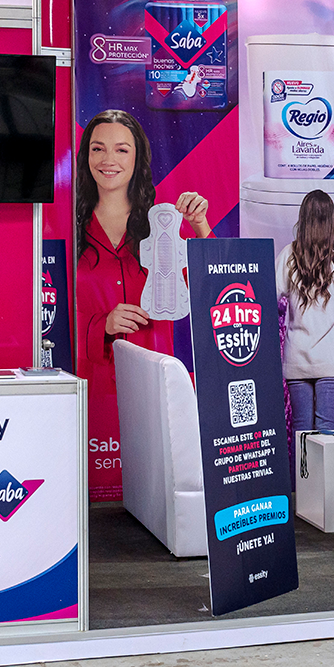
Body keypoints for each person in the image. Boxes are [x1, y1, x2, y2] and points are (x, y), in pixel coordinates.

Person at [75, 109, 211, 501]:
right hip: (93, 384)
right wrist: (101, 322)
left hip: (154, 380)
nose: (108, 160)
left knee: (154, 498)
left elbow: (209, 286)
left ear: (137, 159)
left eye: (121, 149)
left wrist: (200, 225)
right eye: (98, 148)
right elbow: (50, 310)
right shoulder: (66, 226)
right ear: (86, 156)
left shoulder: (162, 225)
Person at [277, 190, 334, 433]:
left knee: (301, 433)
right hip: (332, 361)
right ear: (331, 220)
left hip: (296, 358)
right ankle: (326, 474)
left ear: (303, 219)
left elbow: (264, 299)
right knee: (327, 432)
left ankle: (299, 475)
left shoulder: (287, 257)